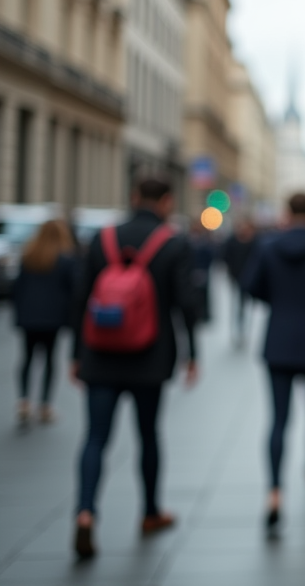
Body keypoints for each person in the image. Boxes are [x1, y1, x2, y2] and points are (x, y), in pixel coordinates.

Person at [70, 176, 200, 560]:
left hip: (100, 355)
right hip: (150, 357)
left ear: (133, 196)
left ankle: (85, 513)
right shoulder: (172, 242)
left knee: (95, 438)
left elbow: (80, 297)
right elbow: (186, 304)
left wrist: (76, 355)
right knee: (148, 434)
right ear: (166, 202)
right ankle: (149, 512)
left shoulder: (102, 239)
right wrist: (193, 355)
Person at [242, 193, 305, 531]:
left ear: (287, 213)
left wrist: (280, 299)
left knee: (278, 420)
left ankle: (273, 491)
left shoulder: (269, 247)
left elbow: (252, 287)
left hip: (279, 341)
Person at [13, 219, 78, 425]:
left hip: (29, 316)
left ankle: (23, 401)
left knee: (27, 357)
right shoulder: (65, 259)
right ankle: (45, 405)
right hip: (53, 317)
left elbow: (18, 287)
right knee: (50, 360)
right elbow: (74, 290)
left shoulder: (29, 255)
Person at [220, 218, 258, 348]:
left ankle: (245, 331)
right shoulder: (232, 241)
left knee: (247, 306)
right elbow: (225, 257)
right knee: (237, 306)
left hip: (250, 279)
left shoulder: (255, 242)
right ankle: (238, 332)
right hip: (236, 277)